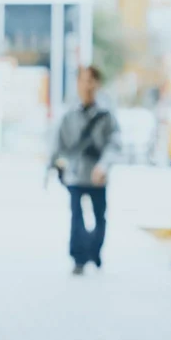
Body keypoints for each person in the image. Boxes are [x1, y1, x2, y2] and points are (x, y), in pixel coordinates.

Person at [50, 65, 121, 275]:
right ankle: (79, 258)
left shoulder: (106, 114)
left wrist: (104, 165)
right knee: (76, 217)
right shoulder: (69, 113)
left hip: (98, 175)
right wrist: (55, 165)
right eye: (83, 80)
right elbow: (58, 143)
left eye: (91, 81)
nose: (87, 85)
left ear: (97, 84)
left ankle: (95, 252)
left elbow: (115, 142)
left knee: (100, 217)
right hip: (75, 173)